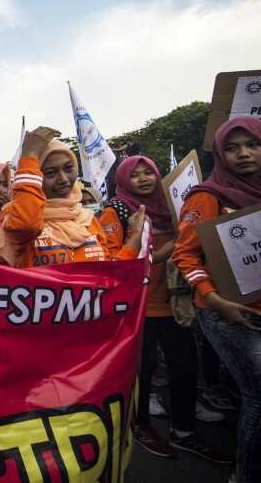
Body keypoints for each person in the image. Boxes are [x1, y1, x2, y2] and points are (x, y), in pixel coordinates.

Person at [101, 156, 229, 462]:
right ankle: (142, 425)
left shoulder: (174, 207)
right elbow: (109, 262)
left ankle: (184, 430)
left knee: (185, 367)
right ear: (123, 180)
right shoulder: (116, 210)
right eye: (136, 175)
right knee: (142, 372)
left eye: (149, 172)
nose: (144, 179)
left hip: (175, 304)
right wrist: (158, 254)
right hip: (138, 307)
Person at [172, 117, 261, 483]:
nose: (243, 154)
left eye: (252, 145)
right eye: (231, 148)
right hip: (228, 315)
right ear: (220, 154)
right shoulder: (207, 196)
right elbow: (185, 256)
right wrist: (215, 300)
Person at [0, 127, 145, 268]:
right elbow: (27, 224)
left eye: (68, 168)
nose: (63, 179)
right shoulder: (14, 217)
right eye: (50, 173)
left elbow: (109, 276)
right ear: (36, 176)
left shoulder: (88, 219)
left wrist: (136, 236)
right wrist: (29, 156)